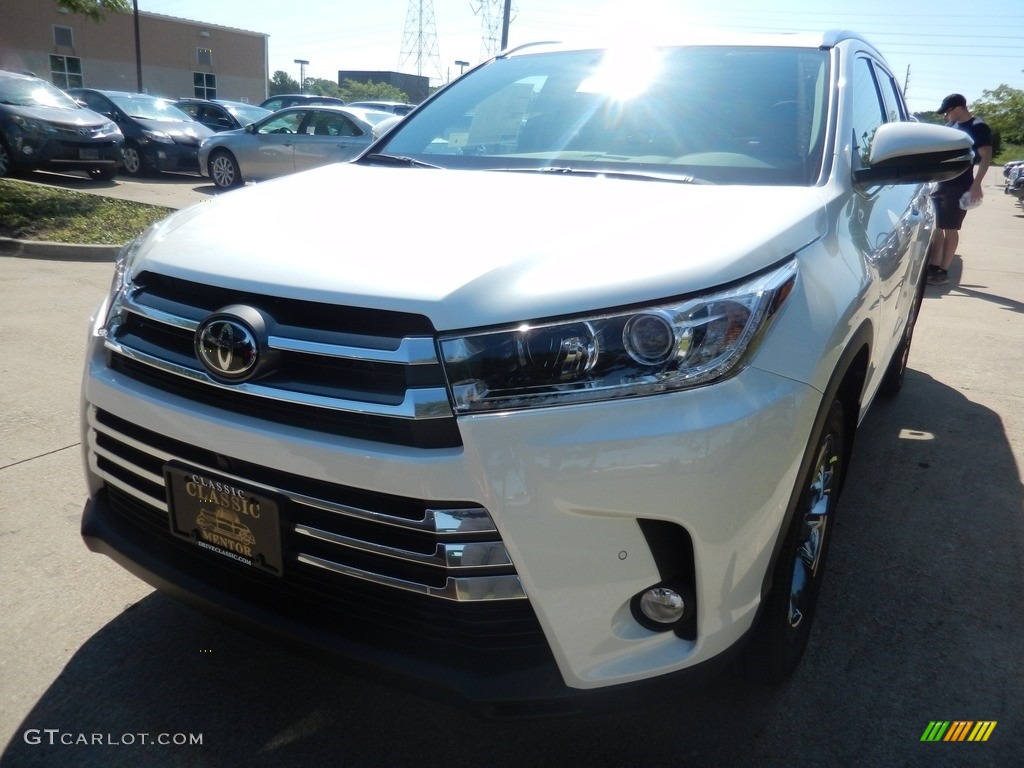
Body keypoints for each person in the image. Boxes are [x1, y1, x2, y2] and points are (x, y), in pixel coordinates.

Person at [927, 94, 993, 286]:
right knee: (938, 226)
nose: (946, 116)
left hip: (960, 184)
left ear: (958, 108)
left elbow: (986, 157)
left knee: (951, 227)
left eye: (947, 111)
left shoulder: (978, 127)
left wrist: (976, 185)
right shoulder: (950, 127)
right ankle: (933, 264)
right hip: (941, 183)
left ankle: (943, 270)